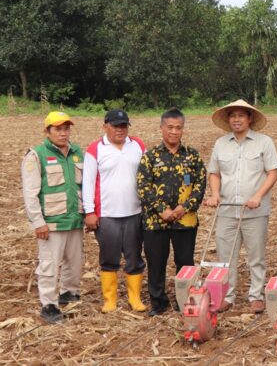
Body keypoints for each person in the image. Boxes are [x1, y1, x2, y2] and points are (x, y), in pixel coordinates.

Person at [205, 99, 277, 314]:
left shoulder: (264, 142)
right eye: (232, 116)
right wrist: (215, 194)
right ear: (228, 120)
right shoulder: (221, 144)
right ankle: (227, 296)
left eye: (241, 115)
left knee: (256, 257)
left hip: (254, 211)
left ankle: (256, 296)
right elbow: (214, 172)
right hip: (227, 210)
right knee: (225, 257)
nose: (236, 119)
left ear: (249, 119)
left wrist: (257, 196)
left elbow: (273, 172)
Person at [136, 108, 207, 316]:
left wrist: (184, 207)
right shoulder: (150, 157)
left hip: (185, 221)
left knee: (185, 262)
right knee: (156, 262)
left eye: (178, 128)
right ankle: (158, 303)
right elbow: (143, 187)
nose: (174, 132)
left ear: (183, 129)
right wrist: (162, 210)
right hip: (155, 222)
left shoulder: (192, 156)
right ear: (161, 128)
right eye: (170, 127)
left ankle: (184, 300)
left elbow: (199, 186)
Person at [21, 112, 84, 323]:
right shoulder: (36, 155)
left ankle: (69, 292)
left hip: (74, 220)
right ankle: (48, 304)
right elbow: (30, 194)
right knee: (49, 264)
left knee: (74, 262)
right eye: (58, 129)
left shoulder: (77, 153)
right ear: (47, 131)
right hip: (51, 223)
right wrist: (38, 222)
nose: (63, 133)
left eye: (66, 128)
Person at [82, 109, 147, 313]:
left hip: (135, 212)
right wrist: (90, 212)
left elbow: (146, 176)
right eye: (116, 126)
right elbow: (88, 183)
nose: (120, 130)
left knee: (134, 257)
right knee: (109, 258)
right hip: (107, 214)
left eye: (124, 126)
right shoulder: (95, 149)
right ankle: (110, 299)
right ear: (105, 126)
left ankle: (134, 298)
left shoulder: (138, 145)